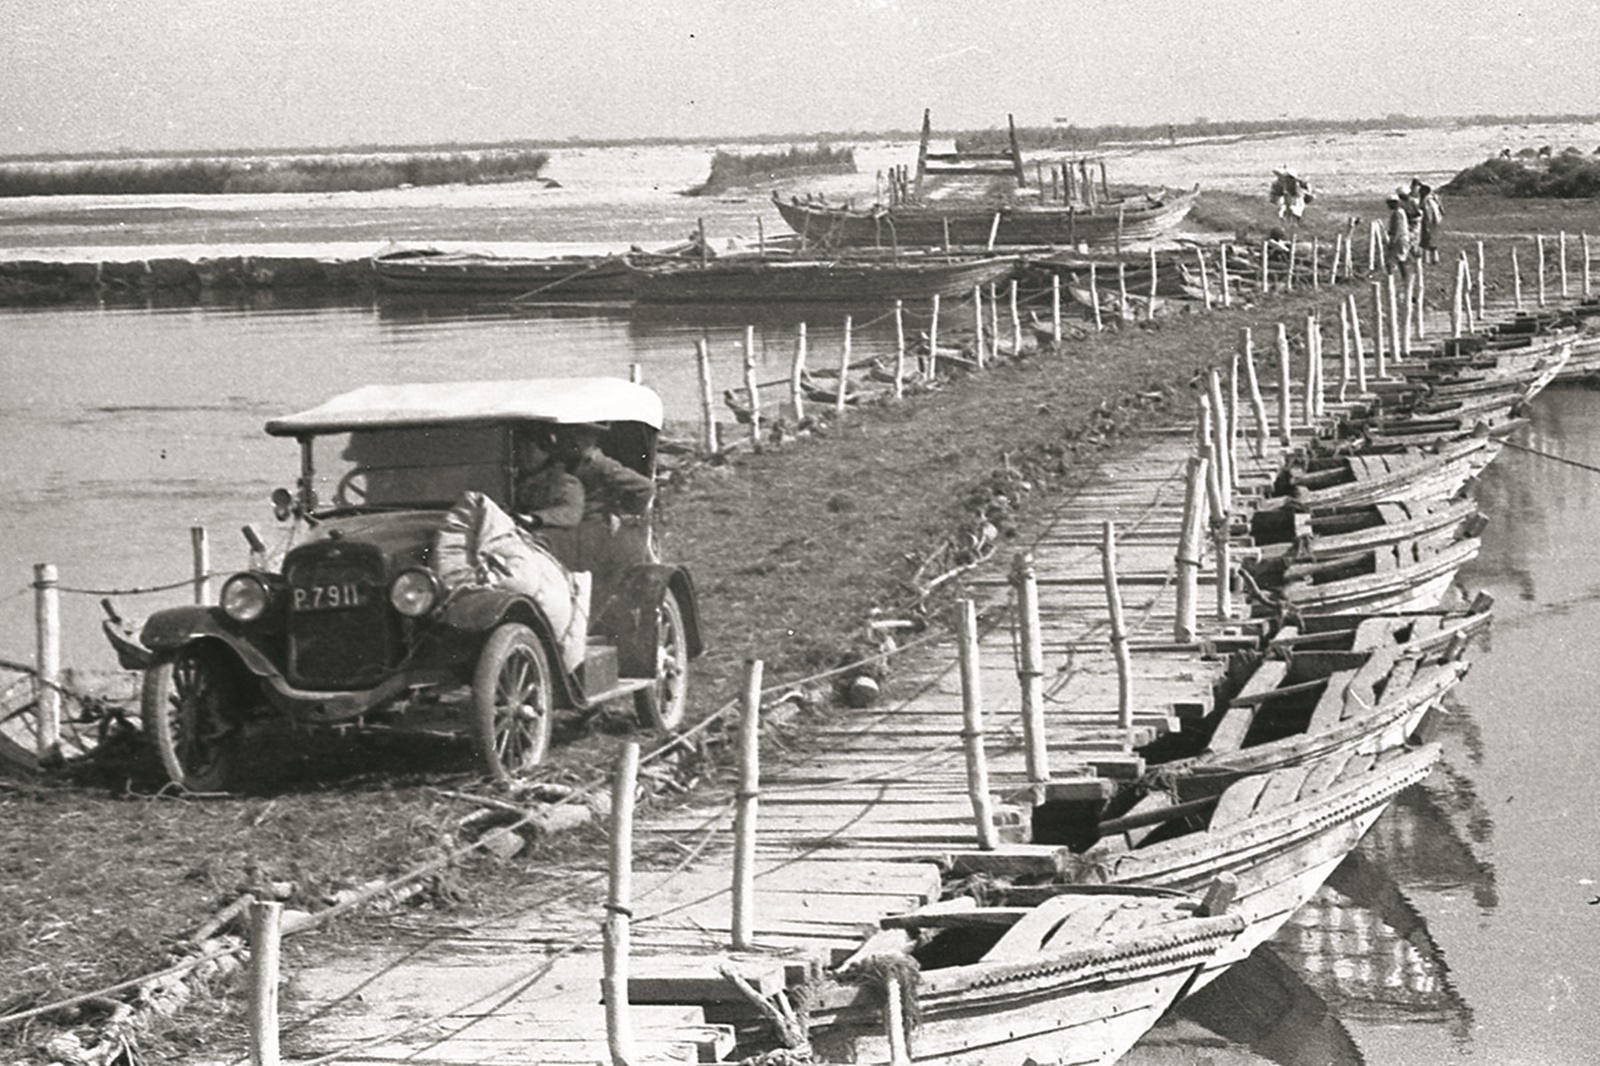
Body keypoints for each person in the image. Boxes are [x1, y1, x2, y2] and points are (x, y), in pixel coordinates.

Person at [557, 423, 655, 520]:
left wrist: (621, 511)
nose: (573, 440)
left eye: (582, 434)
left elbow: (645, 487)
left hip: (592, 522)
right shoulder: (562, 459)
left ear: (594, 437)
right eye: (568, 434)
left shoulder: (601, 465)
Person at [512, 426, 584, 529]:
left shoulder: (565, 481)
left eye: (528, 449)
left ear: (546, 452)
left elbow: (571, 512)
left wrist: (536, 518)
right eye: (518, 449)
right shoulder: (514, 479)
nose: (521, 454)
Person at [1384, 192, 1413, 281]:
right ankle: (1402, 279)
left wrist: (1393, 240)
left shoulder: (1397, 214)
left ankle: (1395, 278)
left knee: (1396, 259)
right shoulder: (1400, 212)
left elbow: (1398, 228)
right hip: (1402, 238)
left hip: (1400, 239)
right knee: (1400, 260)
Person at [1416, 181, 1444, 263]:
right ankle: (1435, 258)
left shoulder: (1427, 202)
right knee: (1433, 240)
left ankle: (1427, 259)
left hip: (1429, 222)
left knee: (1427, 240)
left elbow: (1428, 214)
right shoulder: (1434, 199)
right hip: (1435, 222)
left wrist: (1427, 225)